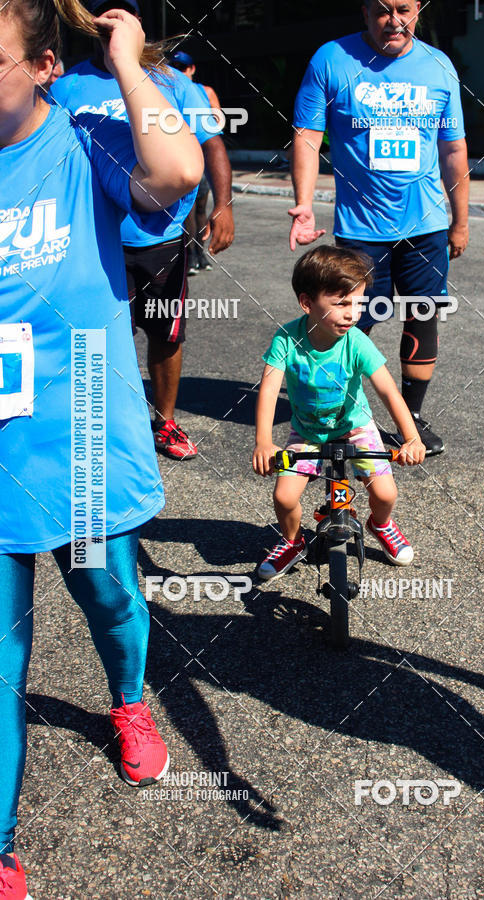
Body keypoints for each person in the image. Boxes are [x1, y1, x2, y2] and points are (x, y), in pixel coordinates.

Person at [0, 1, 204, 896]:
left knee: (112, 602)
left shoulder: (85, 143)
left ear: (44, 65)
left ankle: (127, 702)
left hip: (78, 436)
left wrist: (127, 62)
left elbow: (177, 171)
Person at [51, 1, 234, 461]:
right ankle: (106, 426)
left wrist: (225, 206)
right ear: (88, 25)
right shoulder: (68, 87)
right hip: (97, 241)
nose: (113, 25)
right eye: (103, 16)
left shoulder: (171, 81)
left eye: (123, 15)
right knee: (99, 337)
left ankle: (165, 421)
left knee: (166, 334)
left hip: (162, 241)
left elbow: (211, 144)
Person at [289, 0, 470, 456]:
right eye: (382, 10)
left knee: (422, 314)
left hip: (426, 223)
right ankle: (336, 414)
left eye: (404, 8)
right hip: (361, 228)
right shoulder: (331, 59)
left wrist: (461, 220)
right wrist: (304, 204)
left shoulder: (438, 66)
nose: (394, 20)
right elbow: (308, 137)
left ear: (420, 8)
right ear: (365, 12)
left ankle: (411, 417)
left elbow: (453, 149)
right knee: (351, 321)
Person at [252, 246, 425, 582]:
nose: (353, 313)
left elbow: (388, 391)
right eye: (342, 303)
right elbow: (269, 390)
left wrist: (411, 438)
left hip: (354, 428)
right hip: (308, 433)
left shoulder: (357, 342)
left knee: (386, 492)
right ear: (307, 303)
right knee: (284, 496)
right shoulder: (287, 339)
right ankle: (292, 541)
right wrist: (263, 442)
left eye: (359, 303)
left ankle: (381, 523)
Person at [169, 49, 230, 274]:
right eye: (175, 68)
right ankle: (191, 256)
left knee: (201, 208)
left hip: (202, 155)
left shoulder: (205, 91)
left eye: (183, 68)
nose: (179, 72)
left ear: (192, 69)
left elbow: (218, 121)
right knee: (190, 209)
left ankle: (199, 254)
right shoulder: (168, 90)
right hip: (182, 156)